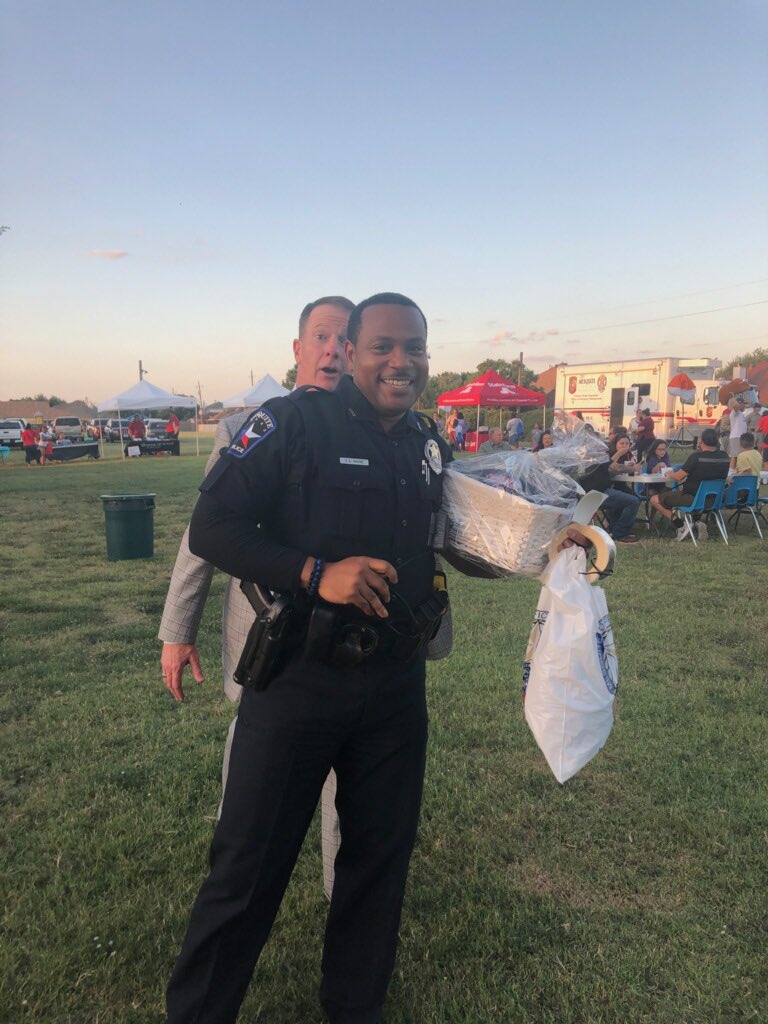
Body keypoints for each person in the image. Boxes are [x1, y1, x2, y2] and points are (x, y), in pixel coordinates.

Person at [165, 293, 459, 1024]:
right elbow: (212, 527)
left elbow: (452, 540)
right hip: (298, 683)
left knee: (376, 870)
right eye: (384, 346)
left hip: (395, 690)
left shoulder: (426, 442)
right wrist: (310, 572)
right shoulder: (289, 424)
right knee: (246, 872)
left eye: (414, 348)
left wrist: (546, 544)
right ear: (352, 352)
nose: (401, 362)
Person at [159, 295, 356, 902]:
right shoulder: (249, 426)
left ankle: (338, 889)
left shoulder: (375, 427)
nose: (331, 348)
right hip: (265, 634)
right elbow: (205, 536)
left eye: (344, 338)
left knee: (344, 769)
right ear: (298, 349)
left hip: (348, 641)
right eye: (320, 336)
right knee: (252, 758)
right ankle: (234, 861)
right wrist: (177, 629)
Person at [648, 427, 729, 541]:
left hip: (693, 498)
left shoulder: (696, 457)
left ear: (701, 441)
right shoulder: (724, 456)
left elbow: (678, 476)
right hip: (714, 500)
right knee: (672, 496)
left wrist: (670, 473)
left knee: (654, 499)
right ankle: (697, 522)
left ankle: (681, 525)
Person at [727, 399, 747, 470]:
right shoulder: (735, 412)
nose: (744, 405)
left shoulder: (742, 414)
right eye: (743, 404)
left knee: (739, 456)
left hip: (740, 438)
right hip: (736, 437)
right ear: (739, 404)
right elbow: (735, 406)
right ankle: (731, 472)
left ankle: (736, 471)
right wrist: (735, 398)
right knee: (735, 456)